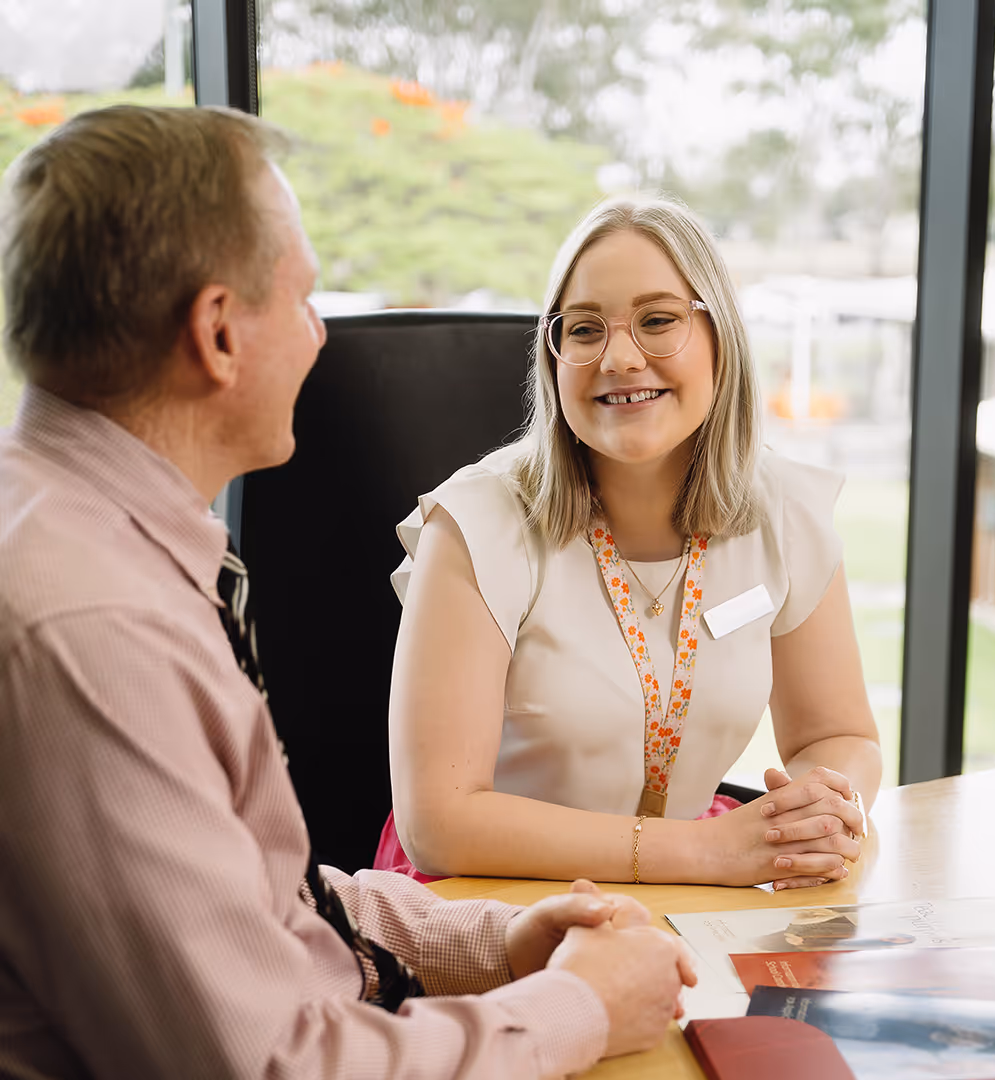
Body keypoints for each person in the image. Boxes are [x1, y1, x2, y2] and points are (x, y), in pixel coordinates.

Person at [0, 105, 696, 1080]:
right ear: (217, 334)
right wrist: (577, 1007)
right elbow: (270, 1066)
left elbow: (253, 898)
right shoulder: (91, 624)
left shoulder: (79, 530)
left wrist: (494, 941)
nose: (321, 338)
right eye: (303, 302)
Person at [382, 195, 882, 888]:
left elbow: (839, 736)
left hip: (683, 883)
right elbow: (440, 824)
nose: (618, 357)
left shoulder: (786, 511)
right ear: (553, 357)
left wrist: (828, 809)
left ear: (722, 338)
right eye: (585, 330)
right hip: (490, 893)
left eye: (657, 321)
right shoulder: (476, 524)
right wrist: (708, 854)